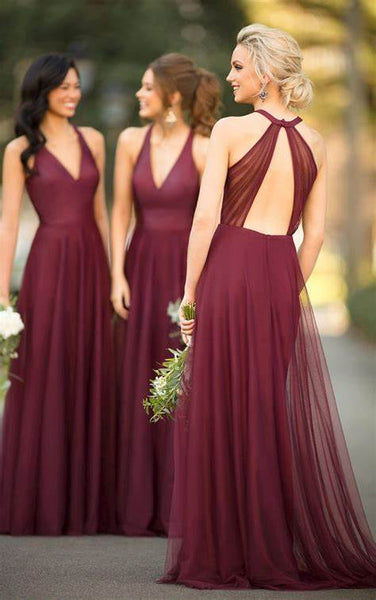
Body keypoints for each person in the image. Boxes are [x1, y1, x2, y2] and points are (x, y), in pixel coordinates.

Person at [161, 24, 376, 589]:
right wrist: (288, 291)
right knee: (262, 411)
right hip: (280, 274)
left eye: (237, 66)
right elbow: (318, 233)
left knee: (216, 409)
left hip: (229, 271)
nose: (230, 76)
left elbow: (205, 219)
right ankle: (265, 546)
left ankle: (220, 549)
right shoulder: (317, 142)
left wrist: (190, 291)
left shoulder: (230, 130)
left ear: (264, 72)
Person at [0, 54, 116, 535]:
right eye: (64, 87)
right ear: (42, 90)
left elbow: (103, 213)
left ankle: (87, 504)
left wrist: (117, 274)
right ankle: (40, 504)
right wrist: (3, 295)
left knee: (89, 369)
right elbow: (8, 223)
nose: (73, 94)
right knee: (46, 371)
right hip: (47, 266)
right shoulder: (19, 150)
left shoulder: (94, 140)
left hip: (92, 263)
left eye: (77, 87)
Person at [111, 53, 220, 535]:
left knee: (179, 379)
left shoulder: (202, 147)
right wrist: (117, 273)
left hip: (183, 273)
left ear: (173, 95)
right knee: (137, 375)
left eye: (147, 87)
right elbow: (119, 213)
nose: (140, 94)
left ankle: (182, 505)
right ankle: (136, 505)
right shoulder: (131, 140)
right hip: (139, 267)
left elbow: (213, 220)